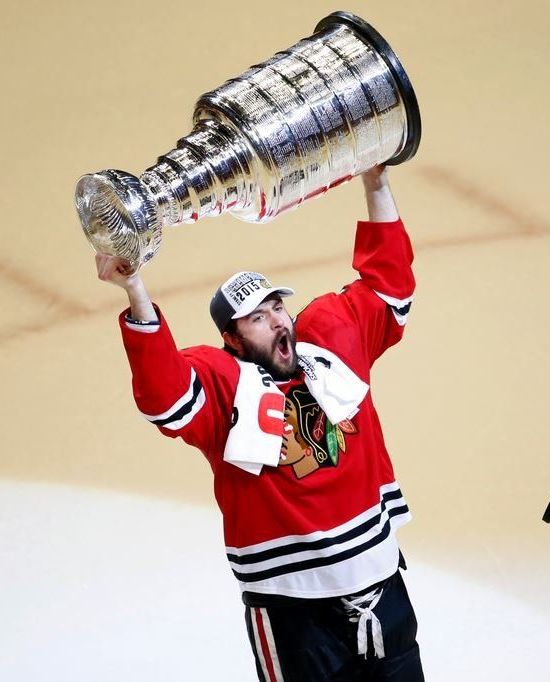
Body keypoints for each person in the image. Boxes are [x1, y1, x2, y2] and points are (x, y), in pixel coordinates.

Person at [96, 166, 424, 681]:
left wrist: (375, 183)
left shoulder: (330, 342)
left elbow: (389, 286)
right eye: (257, 317)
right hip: (293, 613)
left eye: (277, 307)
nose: (277, 321)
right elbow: (165, 396)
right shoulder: (224, 384)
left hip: (381, 587)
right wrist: (134, 288)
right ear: (232, 338)